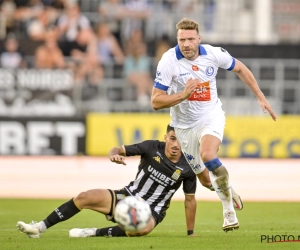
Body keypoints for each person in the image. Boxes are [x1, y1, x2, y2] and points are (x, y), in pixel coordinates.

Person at [151, 18, 276, 232]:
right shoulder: (168, 61)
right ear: (177, 39)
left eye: (191, 39)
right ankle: (228, 188)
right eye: (182, 40)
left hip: (211, 116)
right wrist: (184, 95)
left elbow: (241, 69)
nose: (186, 44)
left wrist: (260, 96)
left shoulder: (213, 54)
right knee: (207, 181)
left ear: (199, 38)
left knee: (208, 154)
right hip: (183, 126)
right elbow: (155, 101)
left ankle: (228, 211)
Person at [17, 125, 216, 238]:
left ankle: (92, 232)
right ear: (166, 137)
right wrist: (114, 156)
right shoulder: (151, 147)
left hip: (152, 210)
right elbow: (117, 149)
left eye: (181, 141)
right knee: (84, 196)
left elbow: (190, 200)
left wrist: (191, 233)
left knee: (141, 229)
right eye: (173, 138)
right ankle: (39, 228)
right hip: (127, 196)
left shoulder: (189, 166)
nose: (176, 145)